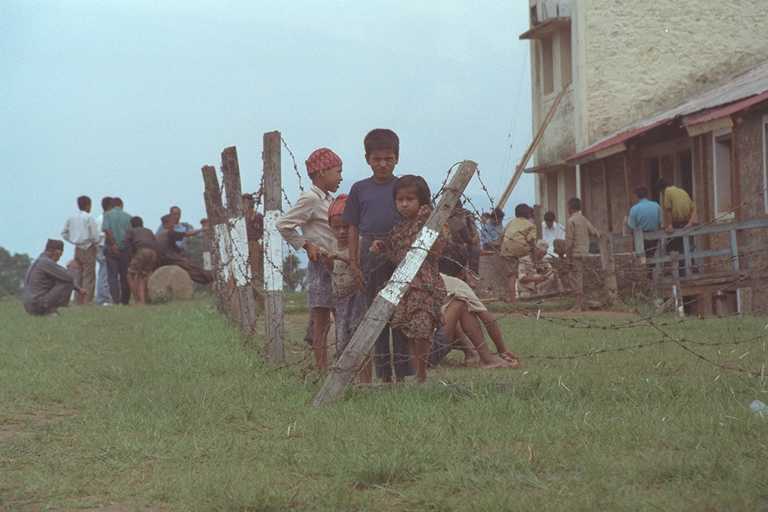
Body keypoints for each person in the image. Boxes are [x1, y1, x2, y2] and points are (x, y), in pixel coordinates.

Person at [343, 128, 413, 383]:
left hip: (400, 254)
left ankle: (404, 373)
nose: (383, 164)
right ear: (367, 159)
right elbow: (352, 227)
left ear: (397, 157)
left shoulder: (404, 186)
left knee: (401, 313)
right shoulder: (359, 189)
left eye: (388, 158)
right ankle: (383, 376)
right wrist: (354, 262)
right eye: (377, 159)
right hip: (369, 255)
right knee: (376, 316)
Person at [370, 175, 446, 383]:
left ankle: (422, 373)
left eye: (410, 199)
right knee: (411, 332)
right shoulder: (398, 230)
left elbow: (438, 248)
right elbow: (397, 256)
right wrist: (383, 247)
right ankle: (418, 373)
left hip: (425, 285)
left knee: (422, 329)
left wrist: (428, 215)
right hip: (405, 289)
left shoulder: (431, 223)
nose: (404, 204)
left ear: (421, 201)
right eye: (400, 200)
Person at [277, 147, 342, 371]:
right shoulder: (311, 198)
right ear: (323, 172)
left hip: (338, 264)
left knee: (341, 316)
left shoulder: (330, 199)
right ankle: (322, 368)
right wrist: (306, 244)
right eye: (337, 171)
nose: (340, 177)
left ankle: (339, 366)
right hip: (322, 265)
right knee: (322, 320)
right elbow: (283, 224)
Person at [432, 273, 520, 369]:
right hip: (428, 355)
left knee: (450, 314)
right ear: (464, 273)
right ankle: (488, 359)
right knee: (460, 304)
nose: (474, 284)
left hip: (416, 355)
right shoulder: (456, 284)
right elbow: (488, 319)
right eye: (474, 277)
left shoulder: (421, 280)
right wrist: (502, 350)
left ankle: (471, 353)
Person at [326, 194, 371, 380]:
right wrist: (328, 261)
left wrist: (341, 257)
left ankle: (365, 380)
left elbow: (360, 265)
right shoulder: (331, 244)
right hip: (340, 300)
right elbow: (332, 272)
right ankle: (345, 381)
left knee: (360, 339)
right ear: (330, 227)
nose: (342, 232)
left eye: (346, 227)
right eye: (337, 228)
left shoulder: (359, 245)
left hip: (357, 298)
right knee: (342, 340)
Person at [23, 239, 85, 316]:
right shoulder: (46, 262)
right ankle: (50, 311)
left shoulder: (40, 260)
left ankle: (48, 309)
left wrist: (79, 289)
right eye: (60, 255)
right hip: (37, 305)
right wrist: (72, 268)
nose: (59, 258)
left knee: (60, 279)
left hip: (29, 305)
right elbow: (69, 278)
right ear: (57, 252)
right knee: (67, 282)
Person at [61, 195, 100, 305]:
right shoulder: (89, 217)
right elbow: (95, 235)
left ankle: (78, 300)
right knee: (89, 275)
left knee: (78, 274)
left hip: (77, 248)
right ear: (88, 205)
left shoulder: (71, 218)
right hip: (88, 247)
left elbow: (64, 233)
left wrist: (73, 240)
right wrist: (95, 242)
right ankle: (87, 300)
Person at [157, 214, 214, 284]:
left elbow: (174, 247)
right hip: (170, 258)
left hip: (163, 259)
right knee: (192, 267)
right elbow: (187, 234)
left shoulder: (160, 235)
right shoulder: (169, 232)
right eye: (172, 222)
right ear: (167, 223)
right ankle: (210, 278)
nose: (174, 224)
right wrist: (202, 229)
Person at [657, 178, 697, 275]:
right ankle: (693, 269)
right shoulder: (682, 191)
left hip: (677, 223)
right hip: (686, 223)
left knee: (673, 248)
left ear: (662, 189)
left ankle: (680, 273)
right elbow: (694, 208)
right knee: (688, 247)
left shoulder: (667, 191)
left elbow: (668, 210)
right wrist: (690, 222)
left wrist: (670, 225)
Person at [565, 198, 599, 311]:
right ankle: (583, 303)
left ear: (570, 208)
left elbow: (569, 242)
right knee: (583, 278)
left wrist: (567, 257)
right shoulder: (584, 219)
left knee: (574, 278)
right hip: (585, 253)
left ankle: (578, 305)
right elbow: (595, 232)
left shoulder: (571, 221)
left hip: (575, 254)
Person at [499, 203, 536, 302]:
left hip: (506, 249)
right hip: (521, 250)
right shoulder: (530, 225)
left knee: (510, 275)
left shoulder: (511, 222)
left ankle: (510, 297)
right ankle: (513, 300)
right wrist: (533, 251)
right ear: (528, 214)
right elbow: (531, 240)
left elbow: (502, 235)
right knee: (514, 275)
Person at [102, 197, 133, 305]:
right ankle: (125, 301)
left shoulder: (107, 215)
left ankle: (115, 300)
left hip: (111, 249)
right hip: (125, 249)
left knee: (112, 276)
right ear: (121, 205)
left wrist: (113, 244)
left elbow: (106, 229)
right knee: (125, 275)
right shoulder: (129, 217)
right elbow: (130, 234)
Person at [440, 200, 481, 281]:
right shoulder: (458, 221)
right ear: (458, 208)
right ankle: (471, 275)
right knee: (474, 250)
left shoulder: (438, 217)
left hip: (440, 250)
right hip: (454, 251)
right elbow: (468, 239)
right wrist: (474, 239)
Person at [124, 216, 159, 305]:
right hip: (153, 253)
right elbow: (155, 242)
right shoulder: (149, 231)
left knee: (130, 275)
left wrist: (131, 257)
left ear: (131, 225)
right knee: (143, 276)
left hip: (142, 251)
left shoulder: (131, 231)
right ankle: (145, 299)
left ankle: (138, 300)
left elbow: (126, 244)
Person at [627, 186, 662, 265]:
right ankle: (650, 274)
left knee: (641, 258)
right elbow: (660, 221)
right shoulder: (656, 205)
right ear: (647, 195)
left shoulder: (634, 209)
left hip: (641, 237)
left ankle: (644, 274)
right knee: (651, 255)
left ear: (637, 196)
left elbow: (632, 226)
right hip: (654, 236)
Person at [242, 193, 264, 288]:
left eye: (246, 202)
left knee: (255, 267)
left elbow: (264, 231)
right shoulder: (240, 218)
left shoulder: (258, 216)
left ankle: (256, 285)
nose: (244, 204)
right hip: (242, 244)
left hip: (254, 243)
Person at [94, 197, 113, 305]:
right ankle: (103, 299)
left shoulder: (98, 218)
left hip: (99, 246)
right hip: (103, 246)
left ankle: (102, 297)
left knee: (103, 271)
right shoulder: (105, 218)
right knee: (105, 273)